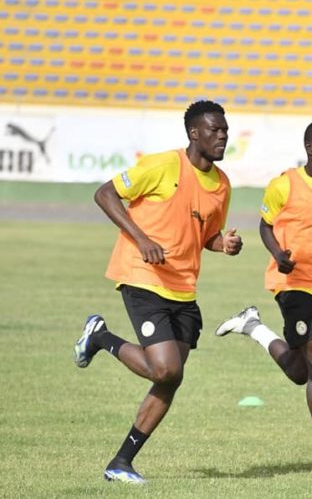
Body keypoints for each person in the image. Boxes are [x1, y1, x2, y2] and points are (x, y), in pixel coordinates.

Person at [72, 100, 243, 484]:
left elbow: (205, 236)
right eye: (215, 130)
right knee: (166, 368)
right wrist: (142, 238)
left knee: (169, 378)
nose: (222, 137)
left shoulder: (222, 184)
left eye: (226, 131)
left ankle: (120, 463)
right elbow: (105, 194)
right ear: (194, 133)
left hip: (184, 288)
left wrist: (223, 245)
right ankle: (100, 337)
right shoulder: (163, 165)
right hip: (142, 276)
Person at [214, 120, 312, 479]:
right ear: (310, 148)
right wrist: (279, 254)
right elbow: (265, 225)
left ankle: (253, 326)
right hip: (293, 283)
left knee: (301, 371)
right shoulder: (285, 185)